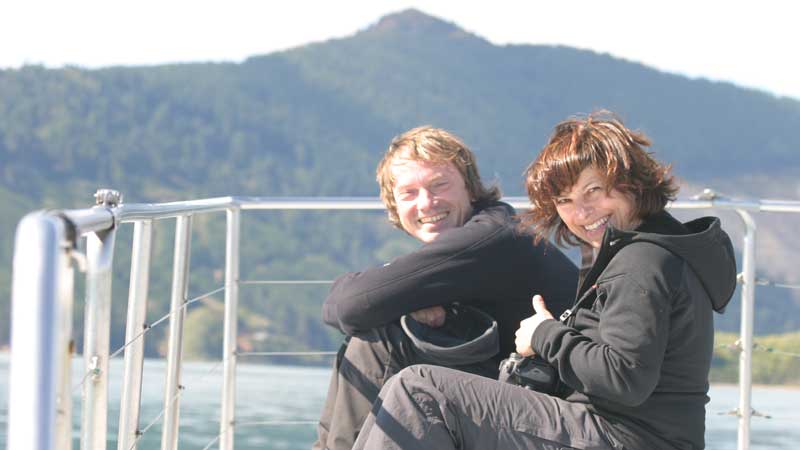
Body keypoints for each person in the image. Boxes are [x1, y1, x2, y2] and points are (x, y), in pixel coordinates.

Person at [352, 112, 737, 450]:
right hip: (619, 430)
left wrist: (545, 335)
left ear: (631, 183)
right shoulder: (644, 250)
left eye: (593, 191)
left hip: (624, 436)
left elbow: (625, 378)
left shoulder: (643, 260)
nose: (581, 212)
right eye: (565, 201)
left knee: (420, 390)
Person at [313, 126, 578, 450]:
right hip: (528, 397)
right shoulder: (486, 234)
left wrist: (395, 299)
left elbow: (350, 305)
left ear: (470, 188)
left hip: (564, 420)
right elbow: (355, 303)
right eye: (409, 193)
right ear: (394, 205)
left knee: (381, 338)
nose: (427, 203)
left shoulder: (488, 239)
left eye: (439, 185)